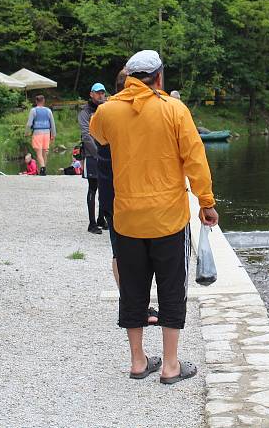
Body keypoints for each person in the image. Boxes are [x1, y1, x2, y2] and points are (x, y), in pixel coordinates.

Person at [90, 49, 218, 385]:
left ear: (129, 77)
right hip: (168, 218)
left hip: (127, 218)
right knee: (172, 288)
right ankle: (171, 365)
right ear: (159, 77)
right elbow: (195, 159)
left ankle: (137, 362)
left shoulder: (107, 112)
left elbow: (99, 135)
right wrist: (206, 202)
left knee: (132, 289)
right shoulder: (175, 110)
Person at [97, 70, 158, 325]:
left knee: (118, 252)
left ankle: (130, 301)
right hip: (129, 197)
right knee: (140, 256)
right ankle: (136, 304)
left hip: (110, 194)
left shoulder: (106, 114)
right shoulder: (128, 115)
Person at [78, 82, 107, 234]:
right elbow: (85, 135)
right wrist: (98, 153)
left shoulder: (107, 108)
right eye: (98, 93)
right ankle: (92, 223)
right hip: (91, 155)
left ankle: (102, 218)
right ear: (91, 94)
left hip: (106, 154)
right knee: (93, 187)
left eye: (102, 92)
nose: (101, 95)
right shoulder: (85, 112)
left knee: (105, 187)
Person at [26, 95, 56, 175]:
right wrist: (53, 134)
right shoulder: (48, 111)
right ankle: (43, 170)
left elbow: (29, 124)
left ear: (36, 101)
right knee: (44, 152)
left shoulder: (33, 110)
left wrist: (26, 132)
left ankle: (42, 168)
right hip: (47, 133)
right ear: (43, 101)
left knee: (39, 153)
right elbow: (52, 124)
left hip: (37, 133)